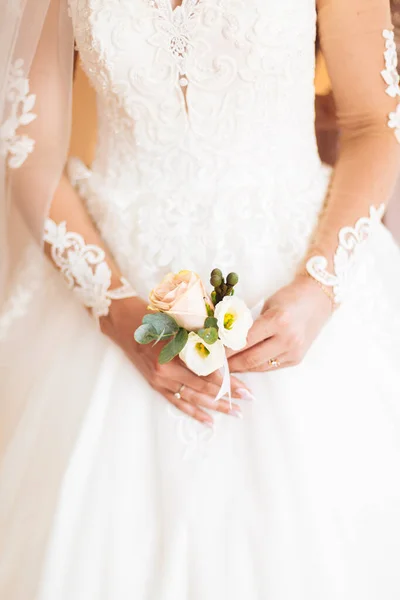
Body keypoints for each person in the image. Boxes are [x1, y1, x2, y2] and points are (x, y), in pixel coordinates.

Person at [1, 0, 400, 598]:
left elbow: (374, 122)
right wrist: (115, 308)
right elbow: (27, 144)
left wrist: (321, 287)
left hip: (299, 281)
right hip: (114, 274)